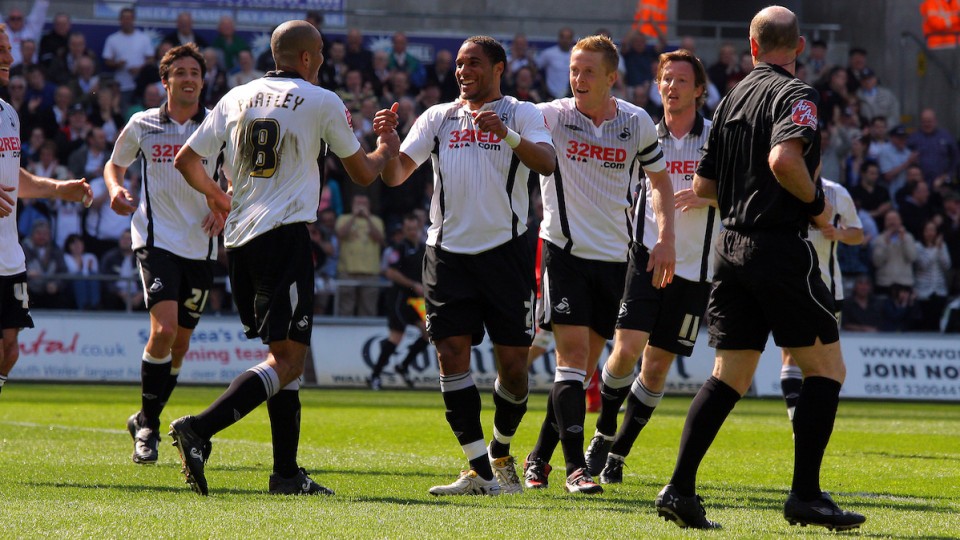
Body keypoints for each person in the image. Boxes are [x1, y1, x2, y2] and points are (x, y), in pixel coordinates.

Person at [655, 6, 865, 531]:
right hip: (776, 247)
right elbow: (784, 160)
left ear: (751, 46)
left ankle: (679, 488)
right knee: (827, 369)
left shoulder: (729, 100)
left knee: (731, 374)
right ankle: (806, 497)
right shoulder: (798, 96)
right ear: (798, 47)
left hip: (730, 246)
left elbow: (704, 188)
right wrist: (818, 207)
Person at [170, 20, 399, 496]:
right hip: (285, 238)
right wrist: (384, 149)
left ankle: (287, 474)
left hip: (239, 244)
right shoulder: (320, 99)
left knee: (281, 357)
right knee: (290, 361)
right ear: (309, 58)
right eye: (320, 55)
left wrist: (219, 197)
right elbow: (361, 174)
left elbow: (186, 161)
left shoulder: (235, 96)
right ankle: (199, 429)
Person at [380, 35, 555, 496]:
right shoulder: (438, 117)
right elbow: (397, 173)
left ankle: (499, 453)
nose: (463, 71)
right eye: (459, 64)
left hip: (507, 254)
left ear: (499, 68)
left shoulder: (522, 112)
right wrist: (388, 144)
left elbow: (548, 163)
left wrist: (507, 134)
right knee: (451, 356)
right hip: (448, 255)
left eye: (473, 63)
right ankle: (480, 470)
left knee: (515, 369)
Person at [524, 36, 677, 495]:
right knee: (570, 363)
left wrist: (666, 239)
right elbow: (508, 115)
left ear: (612, 77)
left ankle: (536, 460)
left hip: (615, 262)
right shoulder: (550, 115)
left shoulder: (636, 123)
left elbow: (661, 183)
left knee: (581, 371)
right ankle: (576, 470)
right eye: (574, 69)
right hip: (564, 253)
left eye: (589, 71)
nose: (578, 78)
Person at [557, 48, 716, 488]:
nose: (671, 87)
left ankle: (619, 451)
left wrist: (709, 197)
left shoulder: (715, 137)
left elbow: (744, 190)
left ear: (699, 90)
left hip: (695, 268)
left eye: (682, 80)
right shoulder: (642, 129)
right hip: (643, 256)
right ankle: (603, 433)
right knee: (626, 349)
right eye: (666, 79)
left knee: (658, 366)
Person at [103, 43, 224, 465]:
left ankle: (143, 418)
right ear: (165, 80)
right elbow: (114, 165)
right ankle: (151, 430)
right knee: (164, 330)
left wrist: (224, 207)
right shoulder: (143, 124)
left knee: (181, 344)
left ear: (203, 81)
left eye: (195, 72)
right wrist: (116, 190)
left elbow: (235, 178)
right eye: (181, 72)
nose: (189, 78)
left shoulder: (217, 125)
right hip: (156, 240)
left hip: (202, 246)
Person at [0, 24, 92, 397]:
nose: (9, 57)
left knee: (9, 351)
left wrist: (59, 189)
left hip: (9, 256)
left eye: (8, 49)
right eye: (1, 49)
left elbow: (12, 175)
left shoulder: (8, 112)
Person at [780, 177, 863, 421]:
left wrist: (838, 233)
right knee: (791, 354)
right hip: (791, 288)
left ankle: (811, 420)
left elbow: (858, 234)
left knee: (824, 361)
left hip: (829, 289)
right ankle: (798, 423)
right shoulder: (782, 185)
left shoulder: (836, 192)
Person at [367, 213, 428, 389]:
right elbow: (390, 272)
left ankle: (403, 366)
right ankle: (375, 376)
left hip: (417, 301)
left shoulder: (424, 248)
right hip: (400, 299)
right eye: (409, 229)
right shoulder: (399, 248)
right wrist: (413, 284)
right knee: (396, 336)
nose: (412, 232)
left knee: (428, 333)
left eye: (415, 229)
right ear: (404, 230)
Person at [335, 193, 384, 316]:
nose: (361, 207)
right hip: (347, 271)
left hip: (370, 272)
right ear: (352, 205)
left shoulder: (376, 220)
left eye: (364, 204)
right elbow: (340, 234)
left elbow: (380, 239)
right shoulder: (343, 218)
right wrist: (354, 216)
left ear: (369, 206)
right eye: (358, 203)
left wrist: (368, 218)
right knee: (345, 309)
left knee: (369, 309)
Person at [101, 7, 155, 109]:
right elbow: (107, 61)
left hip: (140, 85)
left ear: (133, 19)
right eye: (124, 18)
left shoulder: (143, 38)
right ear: (120, 20)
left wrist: (140, 69)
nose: (127, 21)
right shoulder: (112, 39)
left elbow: (151, 59)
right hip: (121, 86)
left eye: (129, 18)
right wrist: (117, 64)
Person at [537, 27, 575, 100]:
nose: (565, 40)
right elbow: (536, 69)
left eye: (568, 38)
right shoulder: (548, 53)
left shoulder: (577, 55)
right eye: (563, 37)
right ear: (559, 38)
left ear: (572, 39)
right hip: (550, 96)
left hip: (570, 95)